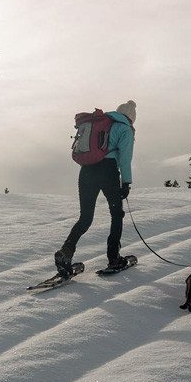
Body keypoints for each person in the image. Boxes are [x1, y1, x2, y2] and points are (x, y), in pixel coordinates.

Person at [54, 100, 136, 276]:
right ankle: (114, 258)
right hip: (108, 171)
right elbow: (125, 159)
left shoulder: (102, 123)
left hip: (87, 171)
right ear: (131, 118)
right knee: (116, 214)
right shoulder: (125, 128)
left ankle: (65, 252)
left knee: (85, 217)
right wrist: (126, 183)